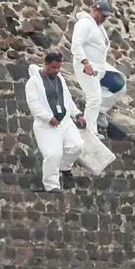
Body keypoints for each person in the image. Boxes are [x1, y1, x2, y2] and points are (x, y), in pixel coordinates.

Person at [24, 51, 87, 193]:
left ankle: (65, 167)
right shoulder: (33, 82)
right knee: (53, 155)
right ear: (45, 64)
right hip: (46, 126)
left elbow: (67, 98)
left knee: (77, 146)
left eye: (58, 68)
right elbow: (33, 105)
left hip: (64, 121)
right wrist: (48, 118)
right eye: (53, 67)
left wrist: (77, 114)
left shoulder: (60, 79)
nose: (56, 70)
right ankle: (52, 185)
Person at [71, 0, 122, 134]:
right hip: (86, 66)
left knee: (119, 84)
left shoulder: (99, 26)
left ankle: (95, 121)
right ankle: (87, 131)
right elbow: (76, 45)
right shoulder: (85, 24)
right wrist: (86, 63)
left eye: (106, 16)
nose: (104, 18)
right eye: (102, 15)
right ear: (95, 10)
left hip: (99, 67)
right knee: (94, 98)